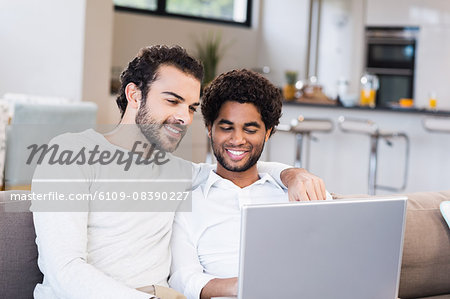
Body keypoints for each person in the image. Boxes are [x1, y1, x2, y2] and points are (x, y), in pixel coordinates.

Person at [31, 45, 327, 299]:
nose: (183, 118)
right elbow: (63, 269)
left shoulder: (177, 172)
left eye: (191, 107)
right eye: (172, 101)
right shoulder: (71, 155)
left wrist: (293, 175)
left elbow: (237, 164)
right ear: (134, 95)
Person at [169, 69, 332, 299]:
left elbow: (333, 261)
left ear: (268, 133)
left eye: (250, 129)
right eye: (226, 128)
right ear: (209, 129)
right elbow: (182, 278)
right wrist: (244, 286)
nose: (237, 139)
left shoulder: (300, 191)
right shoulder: (188, 204)